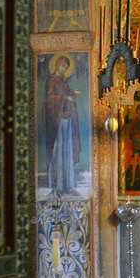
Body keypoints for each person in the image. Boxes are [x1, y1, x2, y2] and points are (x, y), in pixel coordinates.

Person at [45, 55, 81, 195]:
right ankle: (58, 185)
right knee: (58, 152)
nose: (64, 69)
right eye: (62, 66)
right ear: (57, 65)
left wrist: (71, 94)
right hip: (57, 121)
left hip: (67, 119)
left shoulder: (63, 82)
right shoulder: (52, 80)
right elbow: (49, 99)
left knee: (67, 151)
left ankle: (68, 184)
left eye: (66, 67)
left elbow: (65, 94)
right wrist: (66, 97)